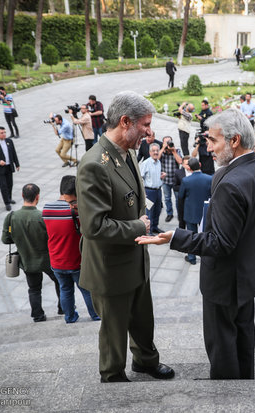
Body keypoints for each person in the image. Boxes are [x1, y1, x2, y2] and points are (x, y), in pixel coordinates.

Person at [137, 108, 255, 380]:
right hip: (249, 275)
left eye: (213, 140)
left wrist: (175, 237)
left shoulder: (231, 182)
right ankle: (244, 380)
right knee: (244, 334)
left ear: (234, 140)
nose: (207, 147)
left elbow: (220, 243)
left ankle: (227, 392)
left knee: (222, 341)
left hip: (226, 280)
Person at [76, 90, 175, 383]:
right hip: (110, 266)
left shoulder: (128, 153)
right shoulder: (95, 164)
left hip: (135, 258)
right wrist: (139, 227)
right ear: (125, 122)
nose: (150, 131)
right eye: (144, 124)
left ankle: (145, 361)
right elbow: (93, 227)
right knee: (115, 328)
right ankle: (113, 373)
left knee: (143, 319)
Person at [43, 175, 100, 323]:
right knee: (87, 290)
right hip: (76, 261)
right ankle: (95, 315)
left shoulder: (47, 209)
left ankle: (70, 317)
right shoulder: (77, 211)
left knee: (65, 289)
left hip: (56, 261)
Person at [2, 183, 62, 322]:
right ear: (38, 197)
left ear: (22, 195)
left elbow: (5, 239)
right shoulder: (42, 217)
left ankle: (38, 315)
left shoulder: (11, 217)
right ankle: (62, 308)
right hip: (48, 260)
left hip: (27, 260)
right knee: (60, 282)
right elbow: (52, 239)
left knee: (34, 289)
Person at [178, 157, 212, 264]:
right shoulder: (209, 178)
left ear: (189, 168)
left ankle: (192, 258)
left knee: (191, 236)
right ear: (200, 165)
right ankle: (205, 256)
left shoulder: (186, 180)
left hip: (190, 212)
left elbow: (180, 196)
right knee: (205, 236)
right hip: (204, 212)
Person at [140, 143, 164, 234]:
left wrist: (161, 176)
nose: (155, 152)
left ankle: (155, 227)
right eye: (153, 151)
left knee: (158, 210)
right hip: (149, 191)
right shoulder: (146, 163)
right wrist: (143, 192)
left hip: (158, 190)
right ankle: (148, 230)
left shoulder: (159, 162)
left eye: (157, 151)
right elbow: (141, 177)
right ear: (150, 152)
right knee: (149, 212)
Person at [159, 136, 182, 223]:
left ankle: (180, 214)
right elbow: (156, 159)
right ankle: (169, 213)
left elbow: (180, 161)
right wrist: (162, 148)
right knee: (167, 198)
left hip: (176, 180)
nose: (168, 143)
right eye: (166, 142)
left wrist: (174, 151)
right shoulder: (161, 152)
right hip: (165, 181)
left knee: (177, 199)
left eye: (169, 141)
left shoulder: (177, 150)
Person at [174, 155, 191, 230]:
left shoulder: (195, 172)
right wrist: (185, 188)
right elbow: (174, 186)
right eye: (186, 164)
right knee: (182, 221)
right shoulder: (178, 172)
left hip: (191, 201)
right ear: (183, 164)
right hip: (182, 201)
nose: (188, 166)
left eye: (189, 163)